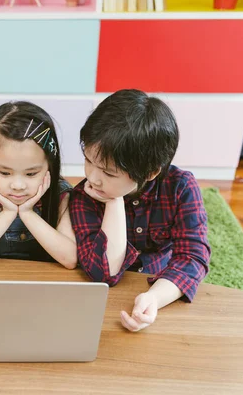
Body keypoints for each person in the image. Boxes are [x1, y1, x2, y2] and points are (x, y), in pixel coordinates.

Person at [69, 89, 210, 332]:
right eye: (88, 161)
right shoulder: (86, 194)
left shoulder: (180, 186)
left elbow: (193, 257)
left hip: (161, 287)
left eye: (108, 172)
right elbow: (104, 273)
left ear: (151, 172)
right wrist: (114, 202)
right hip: (104, 302)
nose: (92, 177)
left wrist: (154, 298)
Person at [0, 101, 77, 269]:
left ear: (50, 166)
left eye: (31, 174)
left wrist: (27, 213)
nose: (18, 185)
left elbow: (70, 259)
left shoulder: (60, 192)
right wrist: (8, 213)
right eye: (5, 173)